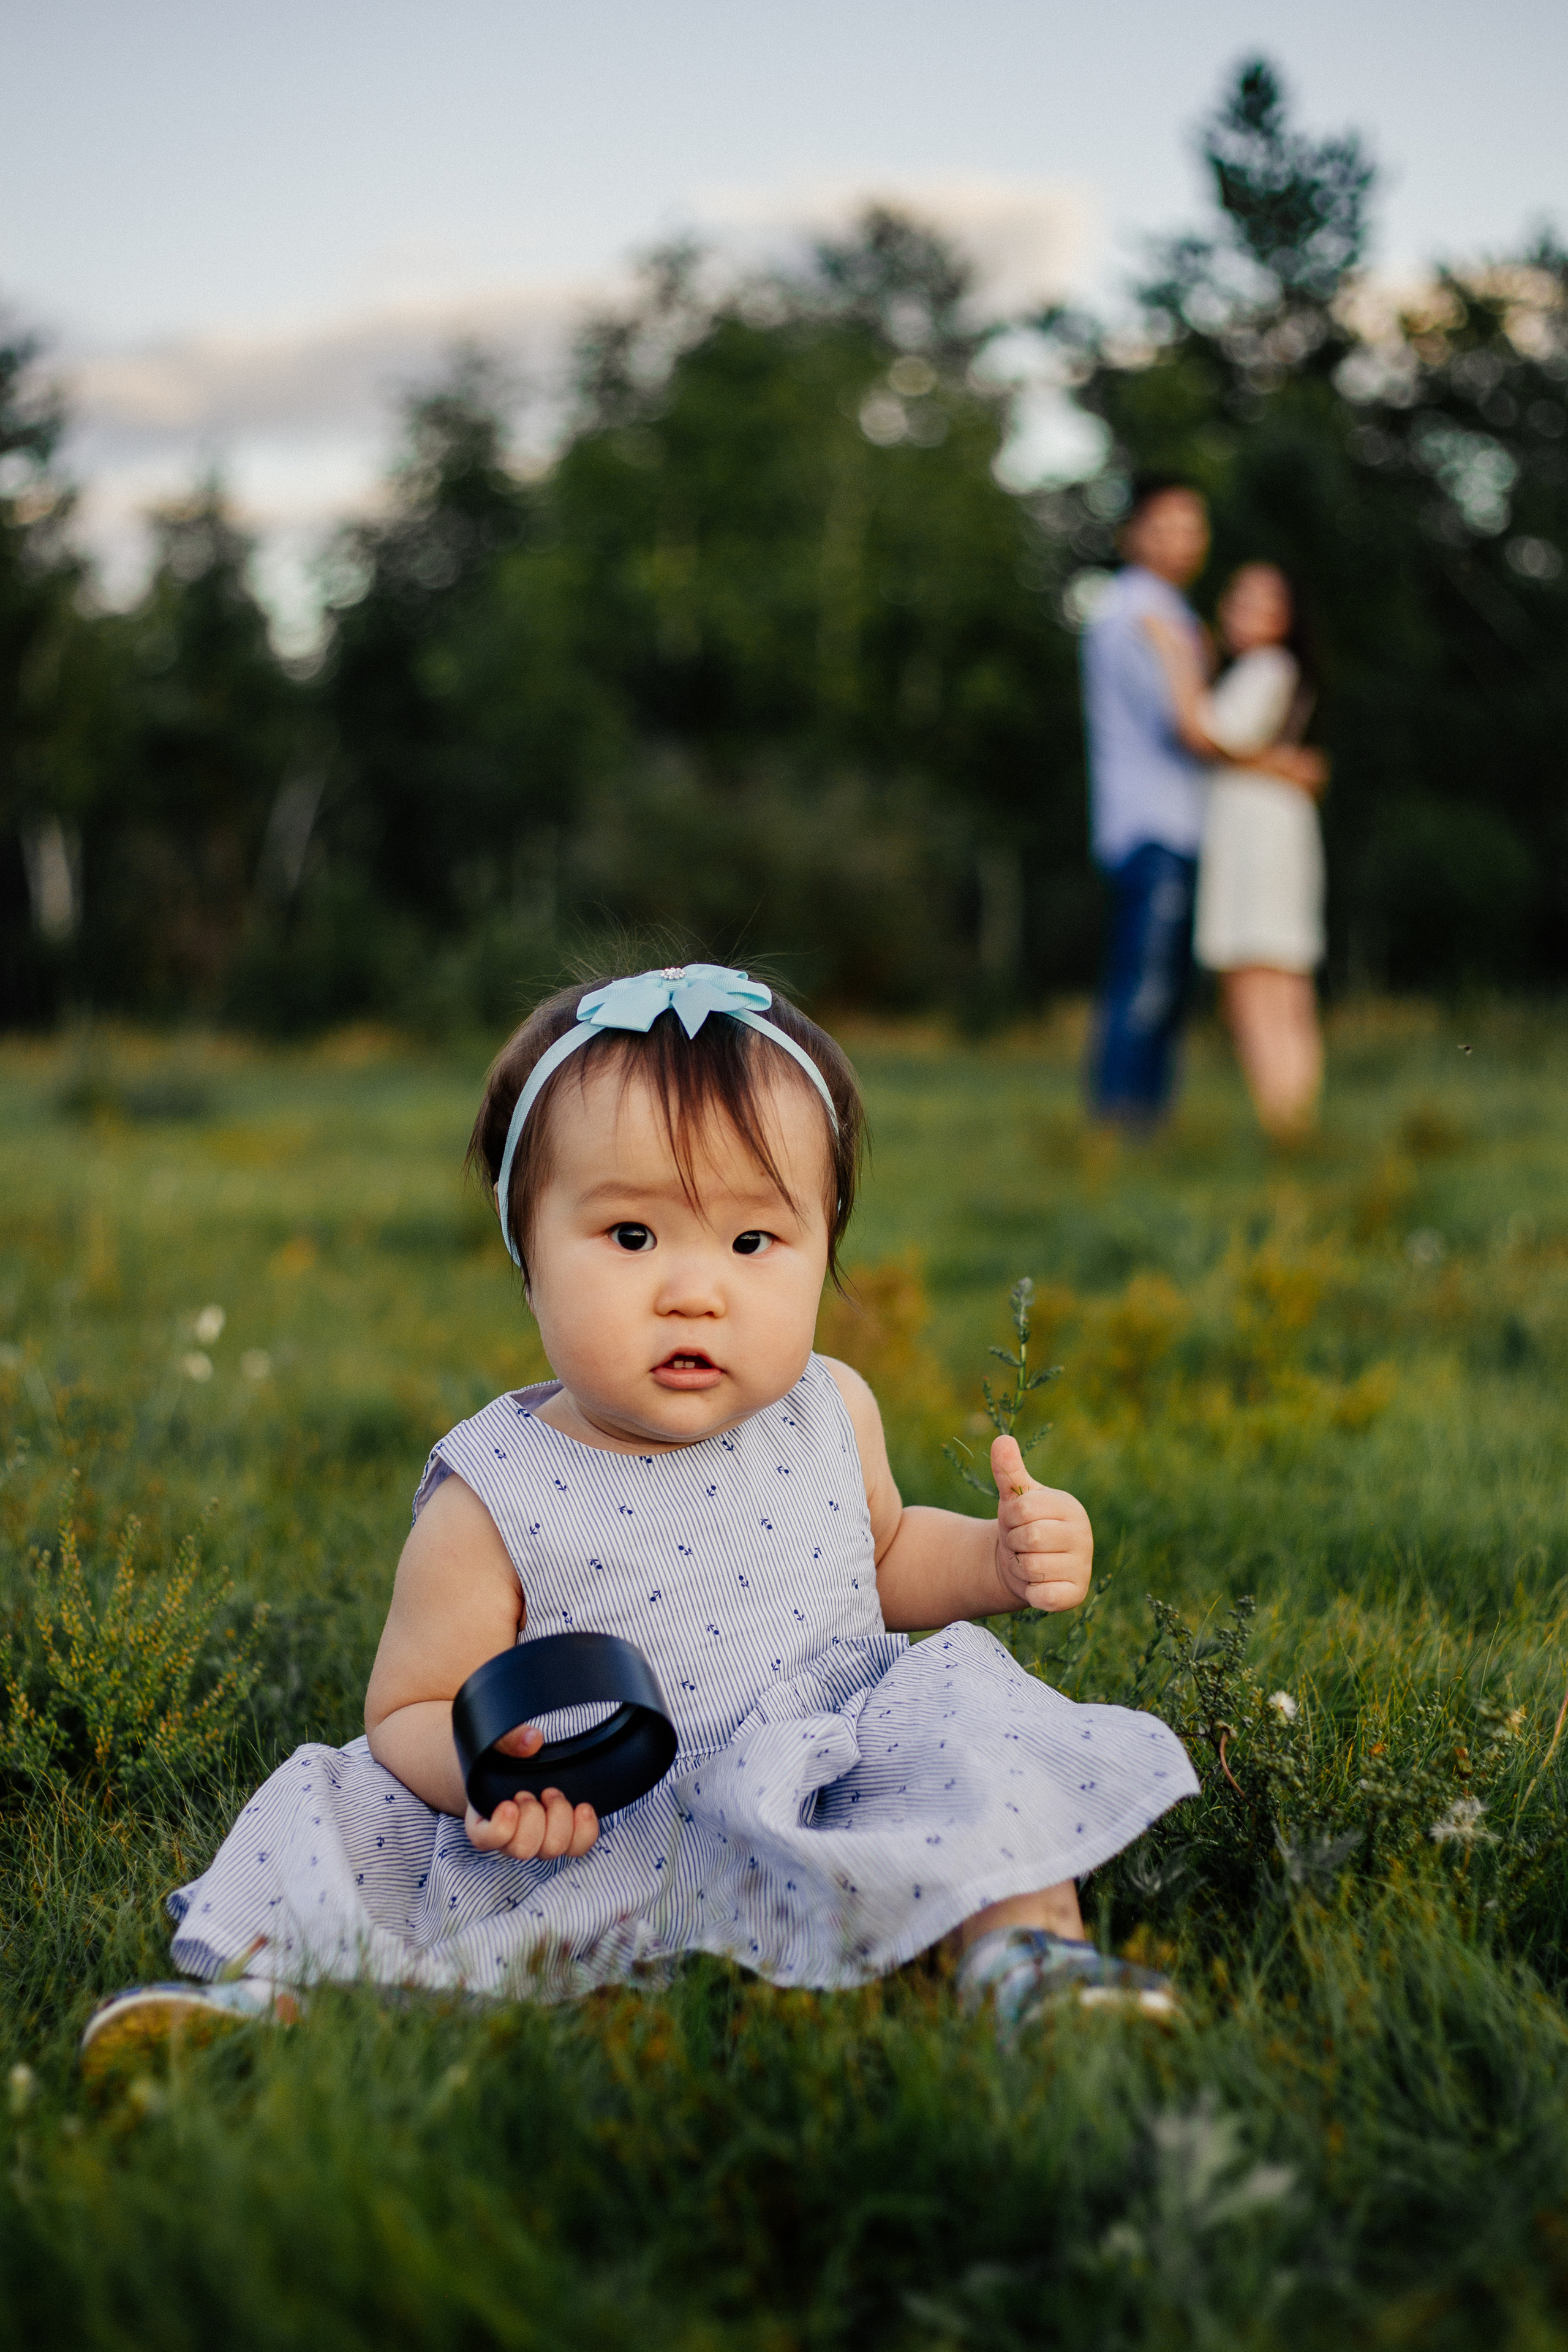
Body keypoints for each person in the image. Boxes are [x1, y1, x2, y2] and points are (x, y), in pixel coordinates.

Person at [81, 964, 1197, 2067]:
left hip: (827, 1774)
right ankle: (275, 1997)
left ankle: (1024, 1959)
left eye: (753, 1242)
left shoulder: (829, 1409)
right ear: (528, 1256)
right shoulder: (494, 1491)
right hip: (599, 1818)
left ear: (822, 1250)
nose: (694, 1290)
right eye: (631, 1238)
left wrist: (999, 1562)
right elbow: (410, 1704)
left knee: (966, 1709)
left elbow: (888, 1554)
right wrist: (496, 1774)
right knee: (332, 1803)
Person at [1080, 479, 1324, 1126]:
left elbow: (1213, 727)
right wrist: (1281, 764)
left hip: (1194, 828)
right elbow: (1191, 728)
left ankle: (1143, 1126)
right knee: (1150, 987)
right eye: (1165, 527)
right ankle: (1122, 1127)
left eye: (1192, 528)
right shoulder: (1139, 614)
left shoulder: (1180, 618)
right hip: (1154, 824)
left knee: (1174, 991)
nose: (1182, 542)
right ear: (1131, 531)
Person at [1146, 564, 1326, 1140]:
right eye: (1238, 597)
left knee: (1256, 986)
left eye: (1260, 603)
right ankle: (1296, 1122)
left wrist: (1173, 654)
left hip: (1257, 840)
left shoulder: (1265, 667)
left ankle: (1286, 1125)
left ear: (1285, 620)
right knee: (1283, 986)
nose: (1240, 610)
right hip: (1275, 831)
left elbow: (1203, 733)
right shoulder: (1270, 672)